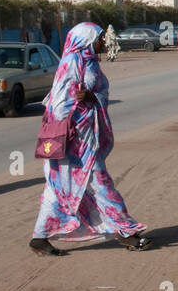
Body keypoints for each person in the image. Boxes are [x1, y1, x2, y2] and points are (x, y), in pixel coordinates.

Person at [28, 23, 150, 256]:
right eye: (100, 38)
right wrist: (75, 111)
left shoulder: (90, 61)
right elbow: (58, 102)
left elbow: (101, 91)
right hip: (72, 140)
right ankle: (127, 232)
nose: (103, 42)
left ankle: (39, 237)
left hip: (87, 138)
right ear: (86, 40)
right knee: (95, 184)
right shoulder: (72, 62)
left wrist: (92, 97)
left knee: (60, 188)